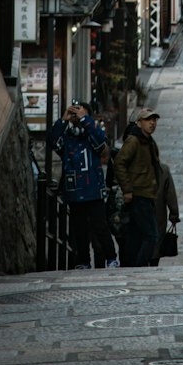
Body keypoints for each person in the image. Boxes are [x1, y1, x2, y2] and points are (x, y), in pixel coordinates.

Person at [46, 100, 118, 270]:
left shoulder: (91, 135)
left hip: (93, 188)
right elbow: (52, 141)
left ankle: (111, 258)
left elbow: (102, 143)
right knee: (79, 228)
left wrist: (86, 120)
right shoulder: (66, 139)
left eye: (80, 114)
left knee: (100, 226)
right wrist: (63, 120)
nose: (77, 118)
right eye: (75, 114)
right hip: (74, 190)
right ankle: (83, 261)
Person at [114, 109, 162, 266]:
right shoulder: (134, 140)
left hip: (146, 194)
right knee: (151, 235)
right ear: (139, 122)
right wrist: (127, 189)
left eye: (154, 120)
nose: (152, 123)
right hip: (138, 194)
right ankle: (140, 266)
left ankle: (130, 266)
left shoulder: (149, 141)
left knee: (136, 235)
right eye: (148, 120)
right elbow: (119, 162)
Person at [152, 160, 181, 264]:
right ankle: (153, 262)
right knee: (157, 238)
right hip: (158, 213)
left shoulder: (134, 168)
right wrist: (174, 215)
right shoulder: (163, 170)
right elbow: (170, 195)